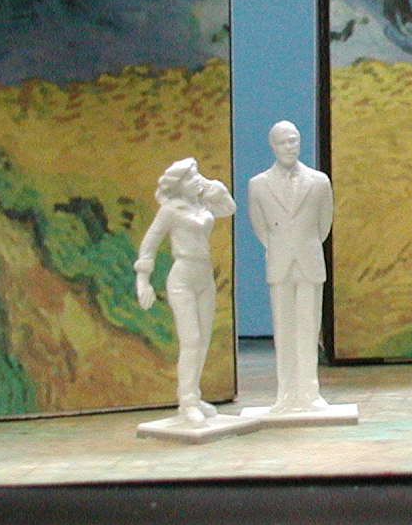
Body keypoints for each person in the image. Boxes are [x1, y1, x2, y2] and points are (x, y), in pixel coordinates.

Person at [134, 156, 236, 424]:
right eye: (190, 177)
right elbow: (150, 242)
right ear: (178, 184)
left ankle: (193, 393)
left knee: (203, 340)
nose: (196, 180)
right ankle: (187, 401)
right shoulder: (171, 210)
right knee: (190, 340)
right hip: (183, 277)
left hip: (204, 275)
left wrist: (213, 186)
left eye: (196, 174)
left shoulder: (203, 204)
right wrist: (143, 280)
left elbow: (229, 208)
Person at [247, 121, 334, 413]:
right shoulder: (258, 185)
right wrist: (281, 246)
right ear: (273, 145)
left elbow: (323, 224)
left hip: (309, 263)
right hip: (280, 263)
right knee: (283, 331)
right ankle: (285, 393)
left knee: (309, 329)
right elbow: (260, 227)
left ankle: (310, 391)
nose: (289, 146)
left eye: (294, 140)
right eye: (283, 142)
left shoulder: (319, 181)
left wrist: (303, 245)